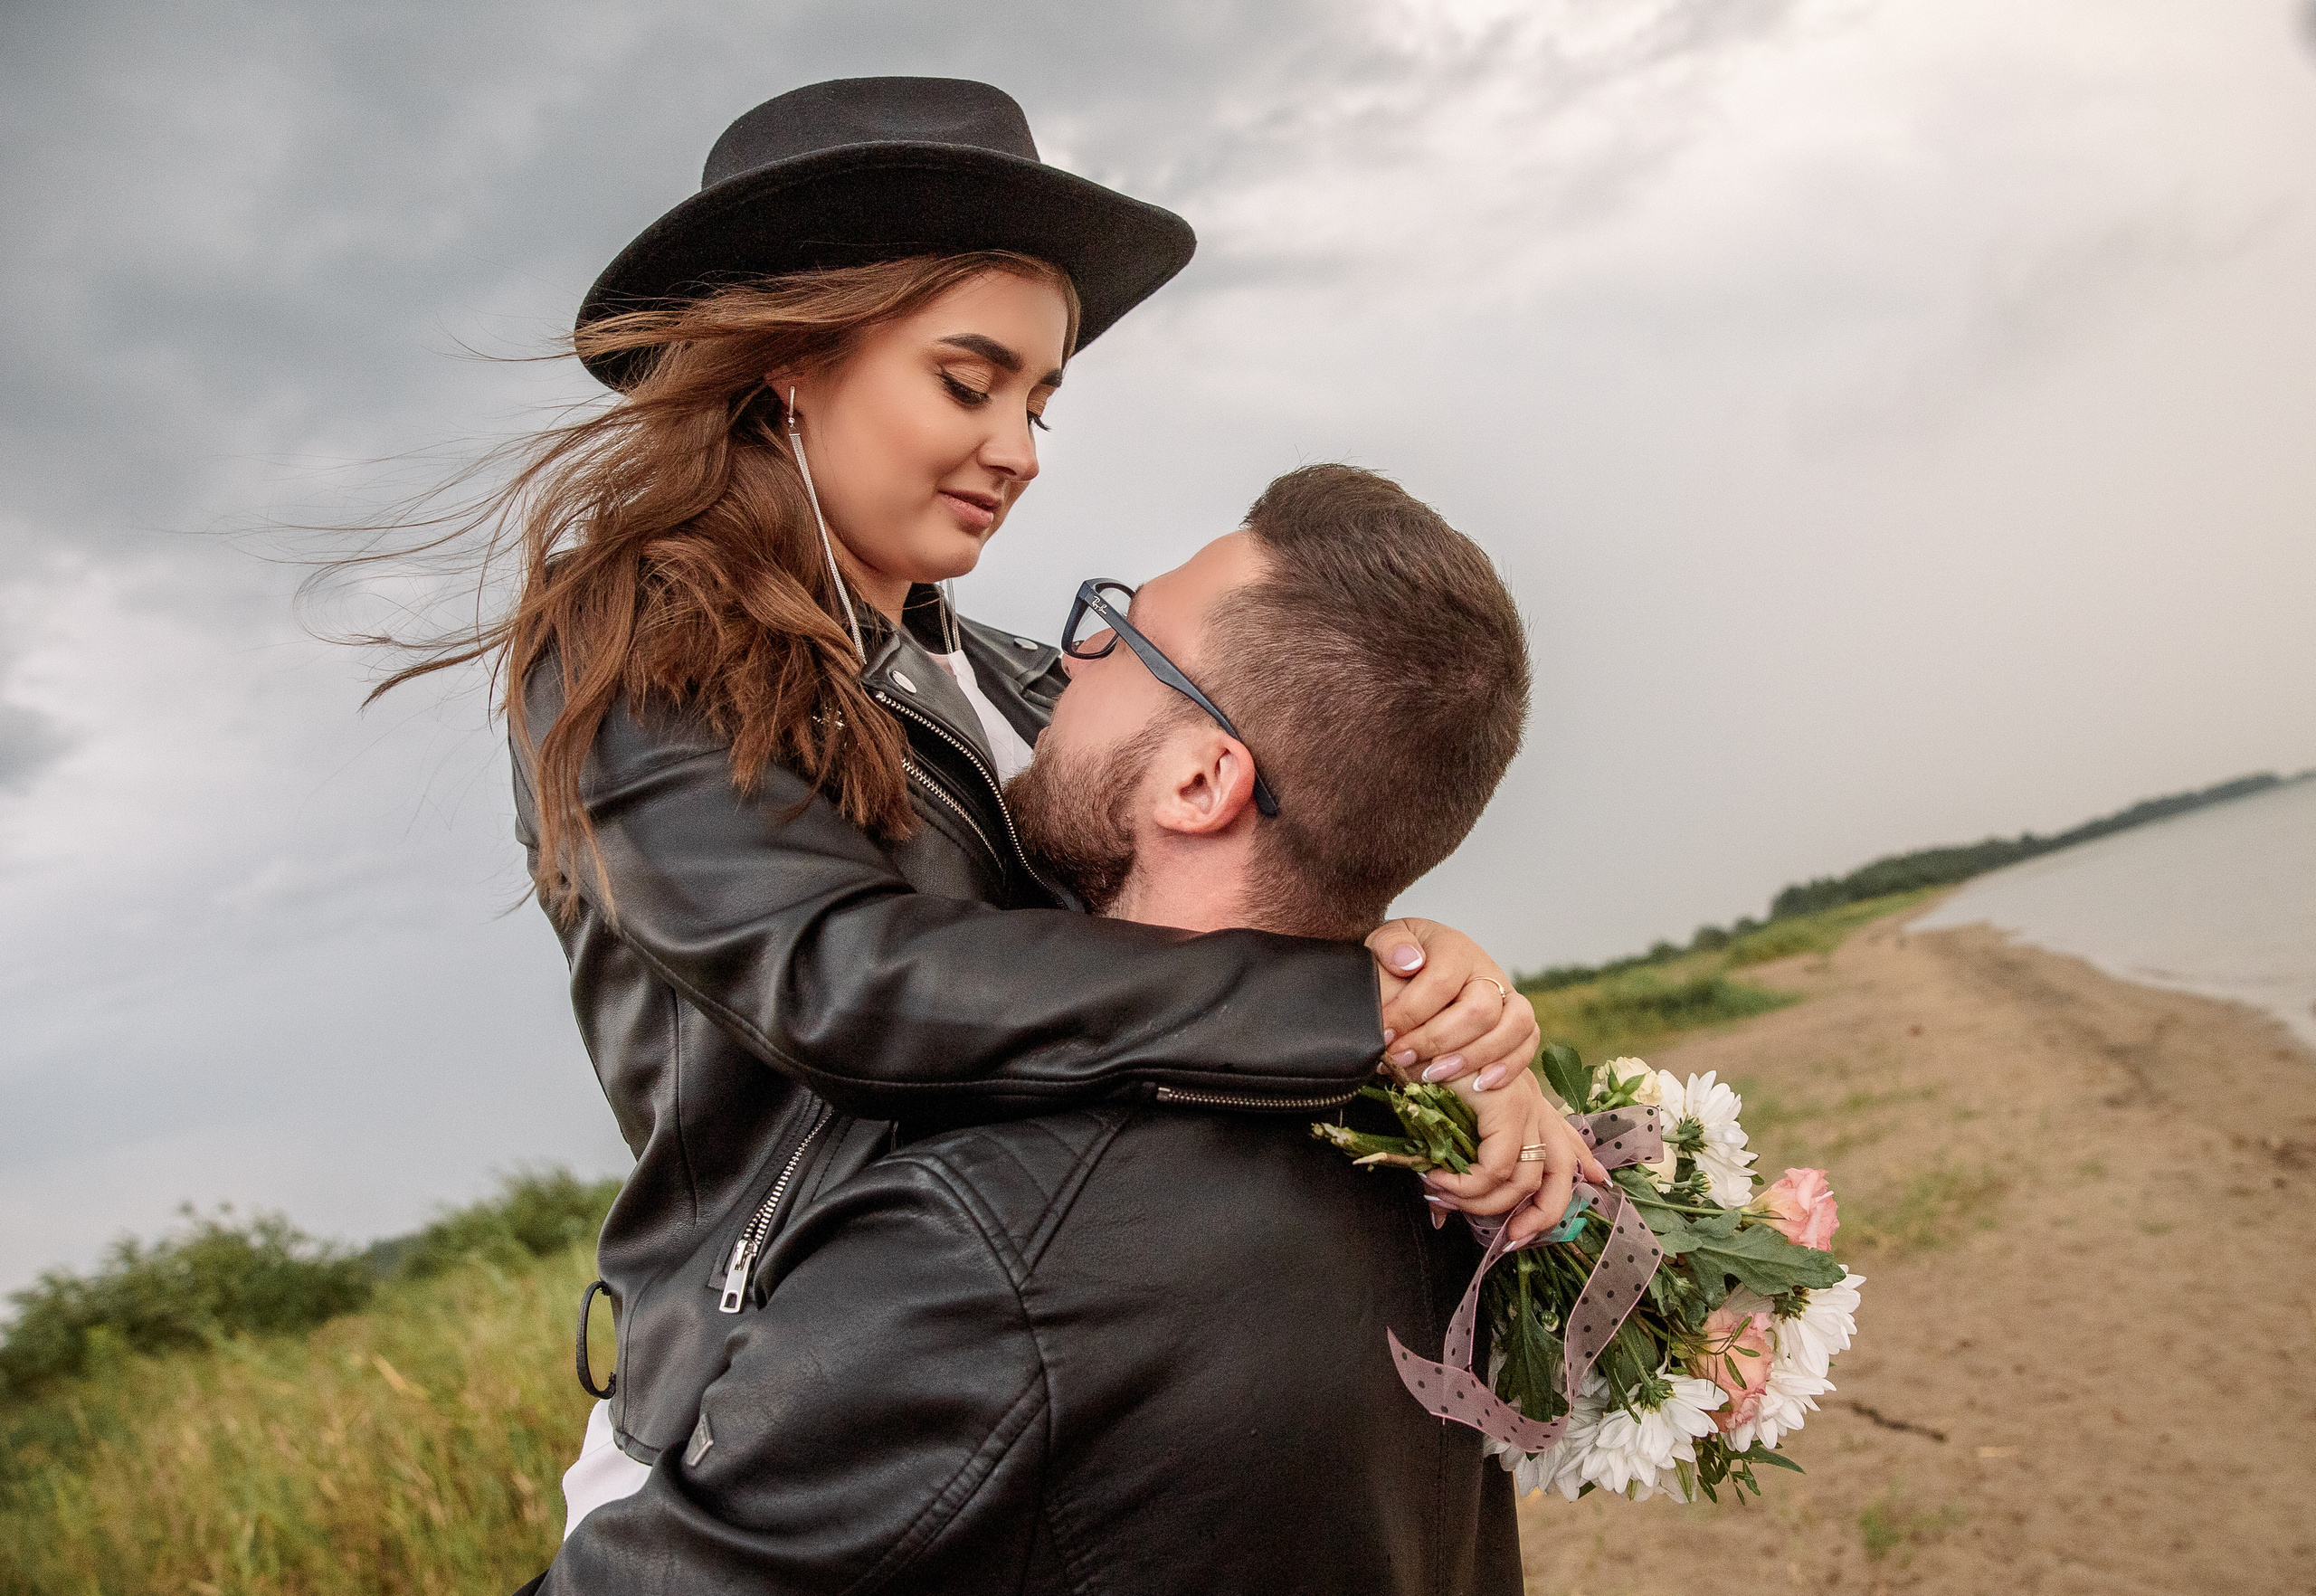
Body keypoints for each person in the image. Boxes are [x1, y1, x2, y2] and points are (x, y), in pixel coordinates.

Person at [353, 75, 1587, 1512]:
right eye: (969, 379)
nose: (1021, 448)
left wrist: (1437, 992)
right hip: (783, 1413)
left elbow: (1215, 868)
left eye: (1042, 397)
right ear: (791, 365)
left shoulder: (1018, 677)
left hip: (1063, 1337)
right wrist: (1338, 1012)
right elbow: (841, 980)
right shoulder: (632, 655)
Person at [541, 465, 1585, 1593]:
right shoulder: (1421, 1155)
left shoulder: (983, 1248)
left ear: (1199, 782)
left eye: (1114, 632)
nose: (1060, 660)